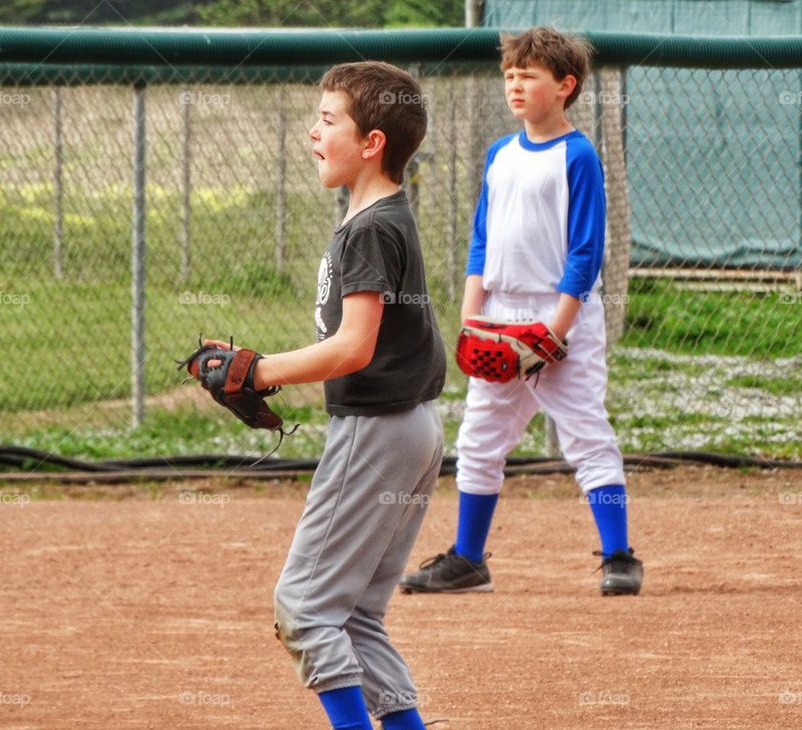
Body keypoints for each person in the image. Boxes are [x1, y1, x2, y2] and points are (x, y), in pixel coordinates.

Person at [205, 61, 445, 729]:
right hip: (412, 428)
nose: (313, 132)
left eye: (329, 120)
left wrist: (259, 371)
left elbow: (354, 347)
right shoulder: (383, 216)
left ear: (372, 142)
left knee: (306, 608)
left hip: (378, 430)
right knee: (356, 615)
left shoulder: (368, 228)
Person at [400, 27, 643, 598]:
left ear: (565, 86)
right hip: (500, 314)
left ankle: (619, 557)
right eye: (509, 73)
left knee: (585, 433)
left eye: (528, 75)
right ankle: (468, 560)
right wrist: (471, 314)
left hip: (560, 314)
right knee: (480, 439)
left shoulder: (576, 155)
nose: (514, 83)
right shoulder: (499, 155)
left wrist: (554, 331)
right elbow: (482, 238)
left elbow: (587, 250)